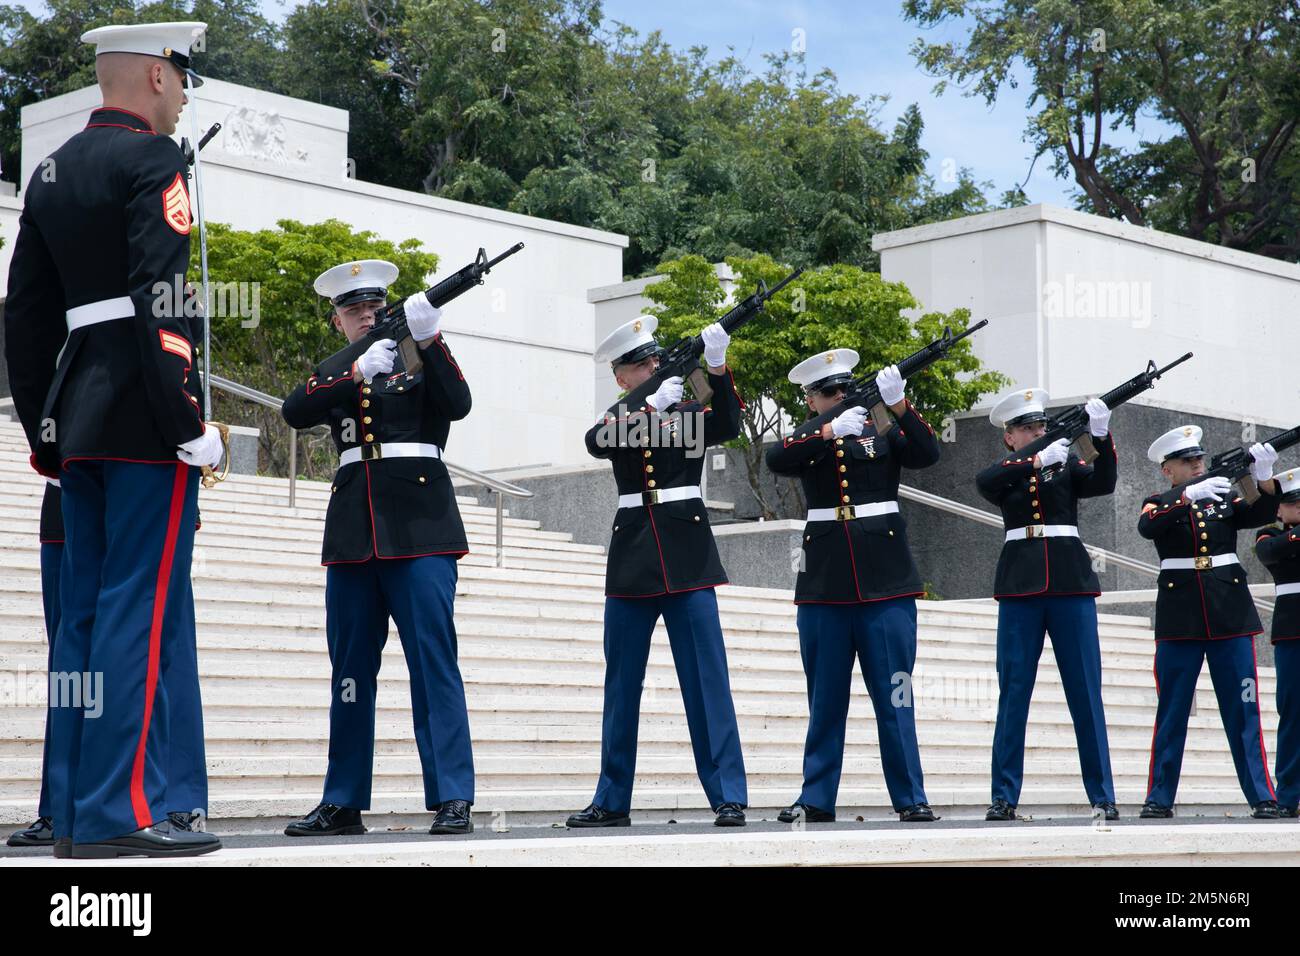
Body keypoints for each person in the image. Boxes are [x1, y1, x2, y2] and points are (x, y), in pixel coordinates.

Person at [3, 21, 221, 857]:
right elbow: (161, 300)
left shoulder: (50, 171)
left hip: (80, 417)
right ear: (160, 78)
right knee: (139, 609)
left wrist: (43, 429)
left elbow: (24, 317)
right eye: (181, 81)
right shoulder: (154, 163)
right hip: (140, 415)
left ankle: (74, 809)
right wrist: (188, 425)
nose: (181, 99)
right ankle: (112, 815)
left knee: (87, 620)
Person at [281, 260, 476, 836]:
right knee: (349, 671)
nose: (364, 314)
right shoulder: (338, 367)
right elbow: (296, 410)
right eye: (352, 309)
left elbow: (459, 403)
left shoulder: (419, 350)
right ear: (338, 319)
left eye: (372, 305)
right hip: (352, 536)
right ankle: (342, 800)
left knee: (433, 664)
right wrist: (354, 374)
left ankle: (452, 796)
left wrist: (431, 338)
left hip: (420, 529)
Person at [566, 315, 749, 828]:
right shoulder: (623, 412)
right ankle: (611, 799)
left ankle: (727, 795)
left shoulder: (688, 412)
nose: (650, 367)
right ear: (622, 376)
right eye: (639, 365)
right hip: (633, 555)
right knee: (622, 683)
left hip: (687, 553)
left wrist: (716, 368)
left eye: (653, 360)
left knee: (706, 680)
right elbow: (597, 440)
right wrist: (649, 404)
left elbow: (729, 425)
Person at [765, 349, 941, 823]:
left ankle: (911, 797)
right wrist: (827, 431)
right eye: (826, 393)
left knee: (895, 695)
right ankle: (816, 798)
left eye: (842, 390)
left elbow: (927, 454)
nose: (837, 398)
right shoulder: (811, 434)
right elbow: (776, 457)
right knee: (824, 699)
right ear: (811, 400)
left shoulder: (880, 423)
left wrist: (899, 404)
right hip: (825, 582)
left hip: (885, 581)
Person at [975, 388, 1119, 821]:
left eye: (1041, 425)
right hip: (1021, 586)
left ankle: (1102, 795)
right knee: (1013, 692)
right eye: (1028, 427)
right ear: (1010, 436)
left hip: (1069, 583)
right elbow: (988, 482)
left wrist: (1100, 436)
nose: (1038, 431)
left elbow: (1103, 482)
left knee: (1085, 693)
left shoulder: (1068, 464)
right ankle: (1004, 795)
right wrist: (1035, 460)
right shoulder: (1009, 470)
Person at [1138, 425, 1280, 818]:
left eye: (1199, 459)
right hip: (1180, 618)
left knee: (1244, 710)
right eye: (1188, 462)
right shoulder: (1158, 502)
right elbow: (1148, 526)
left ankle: (1261, 795)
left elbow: (1263, 513)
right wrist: (1185, 498)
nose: (1197, 465)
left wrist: (1263, 478)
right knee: (1172, 711)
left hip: (1229, 615)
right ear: (1169, 470)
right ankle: (1159, 797)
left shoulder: (1224, 498)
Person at [1253, 466, 1300, 817]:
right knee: (1293, 714)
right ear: (1279, 509)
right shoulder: (1268, 534)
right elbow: (1271, 553)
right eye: (1293, 503)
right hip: (1292, 632)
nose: (1298, 508)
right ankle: (1288, 795)